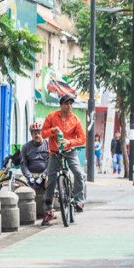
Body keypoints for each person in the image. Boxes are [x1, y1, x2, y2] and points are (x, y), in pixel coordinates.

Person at [41, 93, 87, 225]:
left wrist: (69, 142)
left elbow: (82, 139)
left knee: (79, 173)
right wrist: (52, 131)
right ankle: (48, 210)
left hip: (70, 151)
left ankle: (78, 201)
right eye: (66, 103)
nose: (69, 106)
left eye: (71, 104)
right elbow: (43, 134)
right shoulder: (51, 116)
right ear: (61, 105)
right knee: (51, 179)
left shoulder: (75, 119)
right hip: (55, 152)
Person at [19, 122, 50, 188]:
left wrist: (44, 175)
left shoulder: (48, 145)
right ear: (31, 134)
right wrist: (29, 176)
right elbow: (23, 164)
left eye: (39, 133)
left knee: (50, 181)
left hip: (45, 174)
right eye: (34, 133)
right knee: (20, 183)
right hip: (31, 174)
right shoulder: (25, 147)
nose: (37, 135)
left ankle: (50, 195)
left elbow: (52, 163)